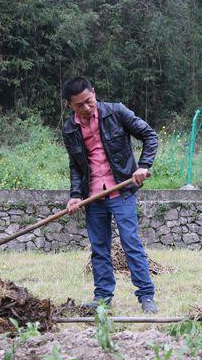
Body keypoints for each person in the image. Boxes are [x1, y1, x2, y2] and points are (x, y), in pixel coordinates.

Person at [61, 77, 158, 314]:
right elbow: (76, 165)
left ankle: (146, 296)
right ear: (69, 106)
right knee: (99, 248)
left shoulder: (116, 112)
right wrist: (75, 195)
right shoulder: (69, 128)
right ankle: (103, 298)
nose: (86, 108)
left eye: (88, 101)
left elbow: (150, 136)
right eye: (78, 105)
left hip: (121, 191)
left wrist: (142, 166)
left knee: (130, 243)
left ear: (94, 93)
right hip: (92, 197)